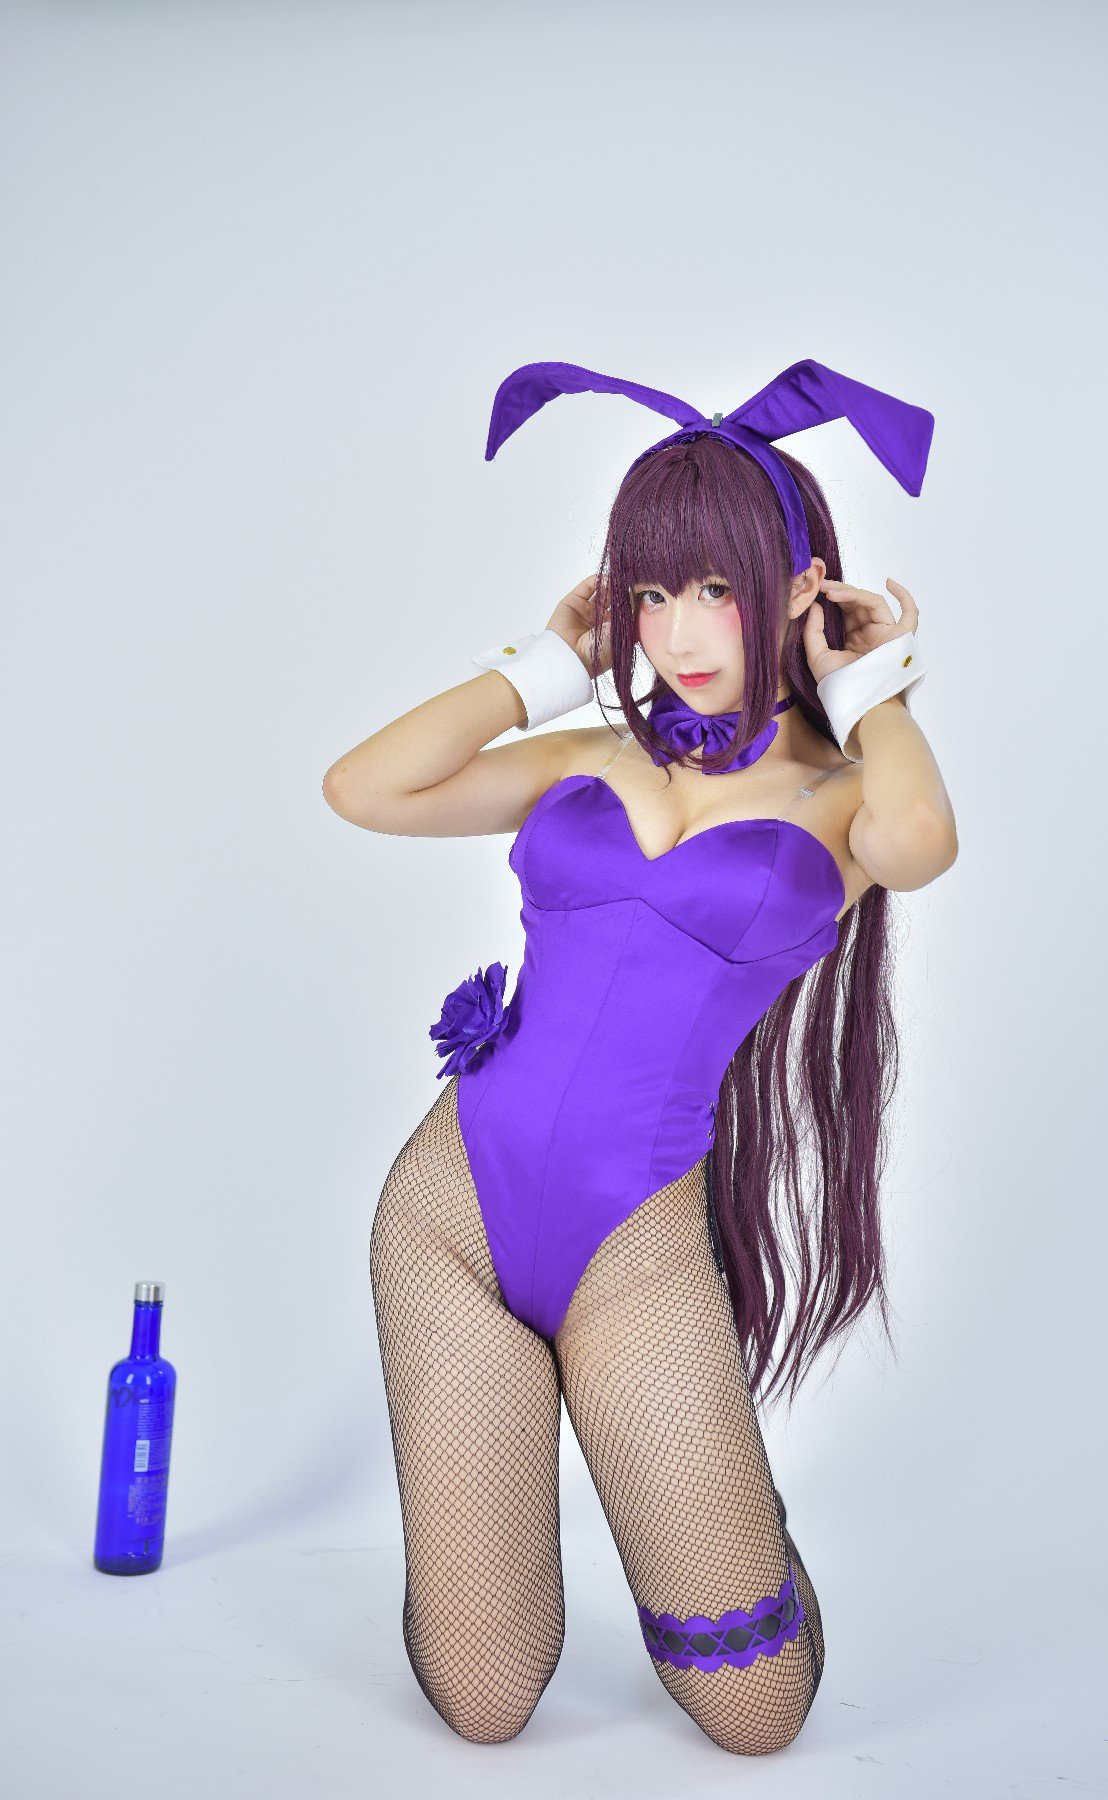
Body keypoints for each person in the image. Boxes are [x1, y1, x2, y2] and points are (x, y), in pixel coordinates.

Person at [323, 380, 957, 1756]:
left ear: (801, 588)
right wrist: (538, 667)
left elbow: (918, 844)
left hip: (636, 1249)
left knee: (754, 1713)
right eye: (651, 594)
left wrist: (872, 693)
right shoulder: (589, 754)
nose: (676, 634)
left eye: (715, 591)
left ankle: (710, 1508)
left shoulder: (840, 799)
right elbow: (364, 789)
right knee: (485, 1703)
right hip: (450, 1217)